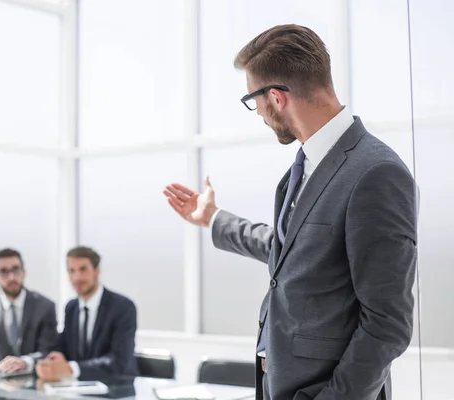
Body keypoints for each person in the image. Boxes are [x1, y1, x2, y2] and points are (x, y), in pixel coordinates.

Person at [163, 24, 417, 400]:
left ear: (276, 97)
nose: (259, 114)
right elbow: (292, 251)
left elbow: (387, 324)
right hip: (278, 386)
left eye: (254, 101)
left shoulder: (376, 172)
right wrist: (213, 217)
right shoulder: (304, 167)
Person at [36, 246, 138, 381]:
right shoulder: (71, 307)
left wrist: (71, 368)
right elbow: (63, 347)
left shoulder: (123, 307)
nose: (77, 277)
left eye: (83, 269)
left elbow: (118, 361)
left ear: (97, 271)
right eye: (71, 271)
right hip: (80, 388)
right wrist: (52, 360)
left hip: (118, 388)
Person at [0, 248, 59, 374]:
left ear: (24, 272)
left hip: (36, 381)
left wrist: (25, 362)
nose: (12, 277)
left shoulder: (45, 306)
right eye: (4, 272)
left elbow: (49, 351)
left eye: (16, 270)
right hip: (0, 381)